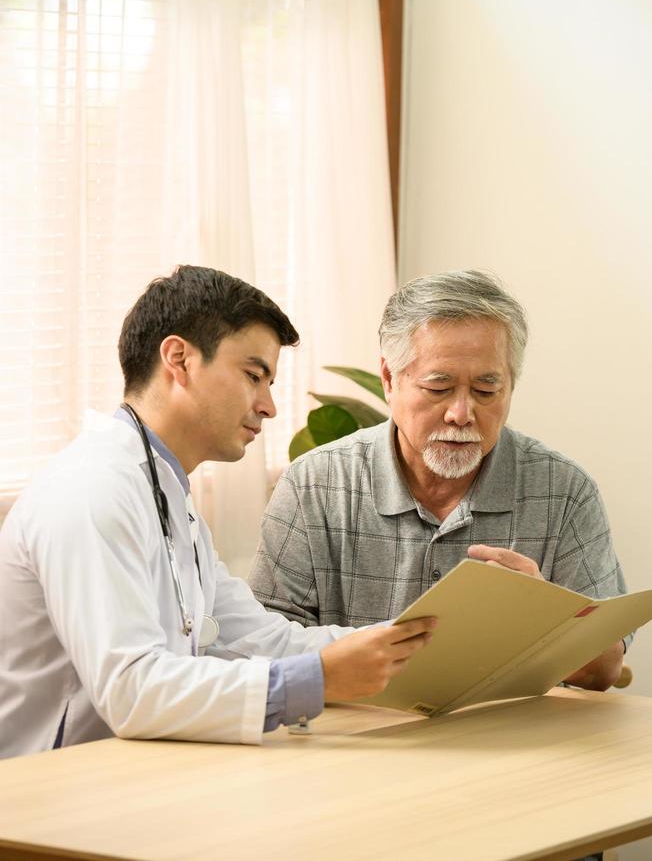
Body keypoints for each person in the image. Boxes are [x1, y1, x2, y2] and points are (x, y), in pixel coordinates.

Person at [0, 266, 435, 760]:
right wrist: (318, 679)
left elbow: (260, 639)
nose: (268, 407)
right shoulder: (91, 490)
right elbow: (133, 690)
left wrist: (429, 640)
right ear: (179, 359)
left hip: (126, 781)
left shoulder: (167, 499)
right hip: (43, 801)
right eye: (254, 376)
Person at [249, 269, 628, 693]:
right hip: (357, 738)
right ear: (389, 380)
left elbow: (605, 671)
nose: (461, 413)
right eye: (439, 387)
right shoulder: (314, 485)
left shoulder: (564, 491)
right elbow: (261, 646)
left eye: (486, 390)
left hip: (506, 739)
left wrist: (545, 615)